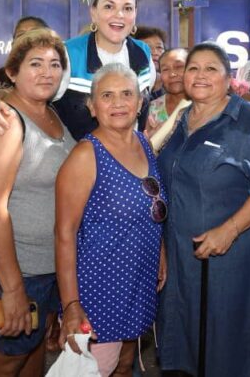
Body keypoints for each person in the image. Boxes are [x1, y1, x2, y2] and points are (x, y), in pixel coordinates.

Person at [157, 43, 250, 376]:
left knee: (231, 350)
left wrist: (229, 230)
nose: (200, 75)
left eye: (211, 68)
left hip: (236, 257)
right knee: (189, 348)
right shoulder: (182, 119)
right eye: (193, 68)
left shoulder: (249, 119)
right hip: (184, 259)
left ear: (229, 79)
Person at [0, 28, 76, 376]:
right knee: (8, 360)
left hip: (45, 266)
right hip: (15, 269)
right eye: (35, 64)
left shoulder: (50, 112)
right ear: (13, 72)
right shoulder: (4, 120)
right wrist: (12, 287)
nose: (47, 72)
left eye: (55, 64)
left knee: (33, 348)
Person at [54, 64, 166, 375]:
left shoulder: (143, 143)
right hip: (99, 289)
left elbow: (149, 205)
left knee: (124, 364)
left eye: (126, 94)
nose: (118, 103)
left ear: (140, 103)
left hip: (137, 280)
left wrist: (160, 250)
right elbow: (64, 234)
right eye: (107, 95)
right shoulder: (86, 156)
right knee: (95, 370)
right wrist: (71, 305)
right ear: (92, 106)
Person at [54, 0, 154, 139]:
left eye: (127, 8)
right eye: (109, 6)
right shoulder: (67, 54)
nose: (119, 15)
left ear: (135, 14)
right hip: (78, 153)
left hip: (132, 153)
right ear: (94, 13)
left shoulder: (143, 54)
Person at [145, 47, 189, 137]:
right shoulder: (155, 107)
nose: (172, 74)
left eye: (179, 67)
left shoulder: (202, 105)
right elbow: (147, 142)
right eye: (165, 69)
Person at [135, 25, 168, 99]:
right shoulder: (129, 82)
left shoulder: (171, 83)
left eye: (159, 47)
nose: (155, 52)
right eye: (147, 47)